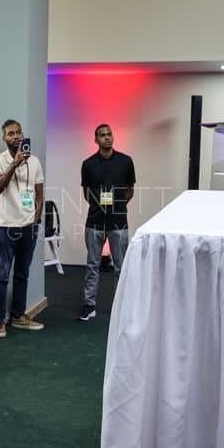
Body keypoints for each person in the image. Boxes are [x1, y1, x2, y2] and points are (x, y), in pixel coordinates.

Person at [0, 119, 46, 337]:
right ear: (4, 138)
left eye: (19, 132)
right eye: (11, 133)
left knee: (22, 273)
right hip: (6, 226)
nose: (16, 136)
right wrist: (14, 163)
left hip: (29, 227)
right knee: (2, 275)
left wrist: (36, 220)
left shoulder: (35, 162)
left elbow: (39, 195)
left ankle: (18, 315)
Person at [77, 124, 136, 322]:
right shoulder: (88, 164)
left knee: (121, 266)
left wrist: (117, 205)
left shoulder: (126, 162)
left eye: (109, 134)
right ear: (96, 140)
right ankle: (89, 305)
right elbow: (86, 193)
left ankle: (121, 306)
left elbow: (129, 190)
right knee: (92, 264)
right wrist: (99, 207)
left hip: (118, 220)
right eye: (102, 135)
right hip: (94, 220)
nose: (107, 138)